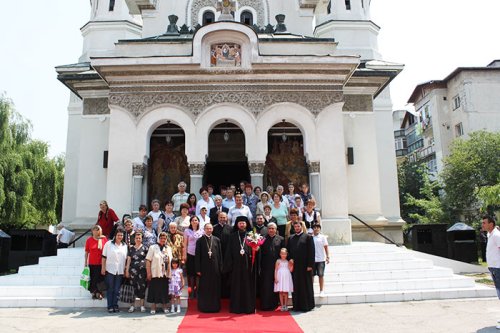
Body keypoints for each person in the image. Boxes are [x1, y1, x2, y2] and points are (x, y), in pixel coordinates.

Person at [224, 216, 256, 314]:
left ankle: (248, 307)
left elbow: (255, 250)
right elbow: (228, 251)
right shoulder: (233, 236)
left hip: (248, 265)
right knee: (236, 286)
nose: (242, 224)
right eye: (240, 223)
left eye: (243, 223)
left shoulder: (251, 236)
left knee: (247, 285)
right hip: (236, 266)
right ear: (237, 224)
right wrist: (229, 265)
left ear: (247, 224)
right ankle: (236, 307)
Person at [287, 221, 315, 312]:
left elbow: (311, 252)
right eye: (295, 227)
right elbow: (288, 251)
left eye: (298, 226)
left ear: (302, 227)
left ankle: (307, 305)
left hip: (305, 266)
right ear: (293, 228)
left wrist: (310, 265)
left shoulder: (308, 237)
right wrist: (290, 259)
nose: (297, 228)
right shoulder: (291, 238)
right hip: (295, 267)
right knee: (296, 286)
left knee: (306, 285)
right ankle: (297, 306)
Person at [195, 223, 223, 313]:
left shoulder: (217, 240)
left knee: (215, 287)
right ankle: (204, 306)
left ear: (212, 229)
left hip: (215, 268)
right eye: (207, 228)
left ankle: (215, 306)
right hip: (204, 268)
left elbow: (220, 255)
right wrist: (198, 269)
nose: (209, 230)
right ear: (204, 229)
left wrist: (220, 267)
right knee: (205, 287)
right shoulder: (200, 241)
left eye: (210, 228)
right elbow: (197, 256)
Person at [259, 222, 284, 311]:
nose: (271, 230)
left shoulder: (281, 239)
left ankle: (274, 304)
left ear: (276, 230)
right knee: (266, 286)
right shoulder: (262, 239)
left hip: (277, 268)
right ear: (267, 229)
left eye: (273, 228)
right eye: (269, 228)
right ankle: (265, 305)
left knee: (275, 286)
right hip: (265, 267)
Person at [101, 228, 128, 313]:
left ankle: (115, 305)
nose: (120, 237)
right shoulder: (108, 244)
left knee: (117, 290)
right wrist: (103, 267)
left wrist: (126, 269)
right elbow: (104, 257)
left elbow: (127, 258)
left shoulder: (125, 246)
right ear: (115, 235)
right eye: (118, 235)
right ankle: (110, 306)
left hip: (120, 270)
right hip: (110, 269)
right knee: (111, 288)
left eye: (121, 235)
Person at [146, 232, 173, 315]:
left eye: (164, 238)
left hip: (165, 273)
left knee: (164, 290)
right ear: (158, 238)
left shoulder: (168, 248)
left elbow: (170, 260)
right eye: (161, 238)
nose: (163, 240)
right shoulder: (153, 247)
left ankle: (164, 306)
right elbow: (148, 260)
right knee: (154, 289)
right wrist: (149, 273)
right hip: (155, 272)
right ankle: (153, 306)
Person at [125, 232, 147, 313]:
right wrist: (127, 270)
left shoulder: (145, 248)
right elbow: (128, 260)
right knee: (132, 288)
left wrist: (148, 271)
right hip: (133, 272)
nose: (138, 239)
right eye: (137, 238)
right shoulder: (131, 249)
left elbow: (148, 261)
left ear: (142, 239)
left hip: (142, 272)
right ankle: (132, 306)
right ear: (134, 239)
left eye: (139, 238)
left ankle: (142, 306)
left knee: (142, 288)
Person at [183, 215, 204, 298]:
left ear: (198, 221)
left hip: (199, 254)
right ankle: (191, 291)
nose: (194, 222)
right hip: (190, 253)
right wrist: (184, 255)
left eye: (196, 220)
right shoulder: (187, 231)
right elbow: (185, 244)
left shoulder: (202, 231)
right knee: (191, 273)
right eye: (192, 220)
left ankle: (198, 291)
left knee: (198, 273)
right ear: (190, 222)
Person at [84, 225, 107, 300]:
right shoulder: (89, 240)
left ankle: (99, 293)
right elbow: (87, 252)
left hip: (101, 263)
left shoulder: (103, 239)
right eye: (94, 230)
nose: (96, 231)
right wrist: (85, 262)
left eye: (97, 230)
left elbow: (107, 250)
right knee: (93, 279)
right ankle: (94, 293)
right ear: (92, 231)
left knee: (100, 279)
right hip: (92, 263)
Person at [212, 211, 232, 298]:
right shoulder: (214, 228)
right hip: (217, 255)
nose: (222, 219)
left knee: (227, 274)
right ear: (218, 218)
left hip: (228, 255)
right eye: (221, 217)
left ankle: (227, 293)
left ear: (227, 218)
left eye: (224, 217)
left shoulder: (231, 228)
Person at [312, 223, 330, 297]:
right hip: (312, 260)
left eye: (317, 227)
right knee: (311, 276)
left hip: (321, 259)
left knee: (321, 275)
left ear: (319, 229)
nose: (316, 229)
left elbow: (326, 247)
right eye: (314, 227)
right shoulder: (310, 237)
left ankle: (321, 290)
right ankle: (311, 291)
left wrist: (328, 256)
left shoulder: (323, 237)